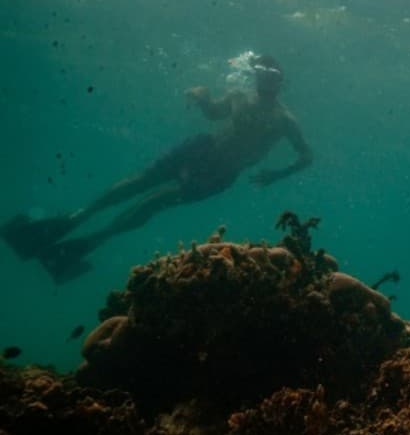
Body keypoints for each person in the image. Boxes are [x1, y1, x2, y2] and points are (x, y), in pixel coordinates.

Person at [1, 52, 313, 283]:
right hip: (202, 147)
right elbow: (215, 115)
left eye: (272, 76)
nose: (266, 80)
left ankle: (92, 240)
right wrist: (203, 99)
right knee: (142, 180)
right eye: (261, 73)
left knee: (156, 200)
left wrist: (276, 175)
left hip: (222, 171)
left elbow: (306, 157)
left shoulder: (285, 120)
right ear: (256, 75)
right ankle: (73, 220)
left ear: (281, 81)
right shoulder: (238, 94)